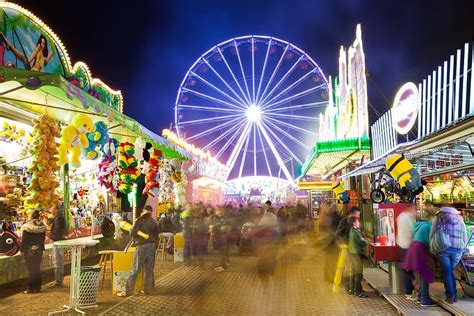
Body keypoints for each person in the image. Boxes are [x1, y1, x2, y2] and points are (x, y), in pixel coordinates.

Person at [117, 205, 159, 297]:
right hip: (151, 246)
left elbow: (133, 232)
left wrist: (138, 235)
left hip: (141, 247)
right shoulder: (154, 222)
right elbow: (156, 236)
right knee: (149, 269)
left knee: (135, 269)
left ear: (144, 211)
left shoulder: (139, 220)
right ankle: (147, 290)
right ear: (150, 212)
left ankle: (128, 291)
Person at [430, 206, 468, 304]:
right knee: (450, 271)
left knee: (447, 272)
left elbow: (432, 232)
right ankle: (453, 295)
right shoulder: (460, 219)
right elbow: (465, 235)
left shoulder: (439, 217)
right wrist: (463, 247)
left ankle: (450, 296)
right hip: (458, 249)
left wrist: (432, 244)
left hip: (444, 248)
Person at [401, 205, 437, 307]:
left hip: (414, 248)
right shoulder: (428, 226)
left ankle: (421, 297)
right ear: (431, 216)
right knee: (426, 273)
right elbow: (429, 241)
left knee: (422, 274)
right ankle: (425, 300)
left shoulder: (419, 224)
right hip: (421, 249)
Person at [335, 206, 361, 293]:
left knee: (353, 268)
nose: (358, 217)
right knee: (348, 268)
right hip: (346, 248)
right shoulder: (345, 221)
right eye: (357, 214)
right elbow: (338, 234)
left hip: (353, 249)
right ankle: (348, 287)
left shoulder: (354, 221)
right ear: (352, 213)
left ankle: (352, 287)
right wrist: (342, 244)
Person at [20, 209, 46, 294]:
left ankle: (30, 289)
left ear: (31, 216)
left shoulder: (26, 226)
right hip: (39, 249)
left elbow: (25, 240)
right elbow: (43, 239)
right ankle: (38, 288)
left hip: (29, 250)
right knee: (37, 268)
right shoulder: (42, 225)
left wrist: (21, 250)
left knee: (30, 269)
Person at [396, 206, 416, 299]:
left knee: (406, 269)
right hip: (407, 247)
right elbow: (412, 232)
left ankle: (408, 290)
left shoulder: (401, 216)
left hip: (400, 245)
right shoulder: (408, 218)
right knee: (408, 269)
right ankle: (409, 291)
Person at [348, 215, 368, 297]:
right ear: (354, 223)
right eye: (357, 221)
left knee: (353, 272)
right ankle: (358, 291)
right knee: (358, 273)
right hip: (356, 254)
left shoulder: (352, 231)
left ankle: (352, 289)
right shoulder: (355, 232)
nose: (359, 223)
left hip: (352, 253)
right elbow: (361, 242)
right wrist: (365, 241)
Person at [49, 205, 67, 288]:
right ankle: (58, 280)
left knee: (58, 262)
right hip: (58, 241)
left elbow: (57, 231)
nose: (50, 210)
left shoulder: (58, 219)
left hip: (58, 241)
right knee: (58, 262)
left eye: (51, 208)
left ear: (56, 209)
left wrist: (52, 237)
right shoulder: (58, 218)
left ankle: (58, 281)